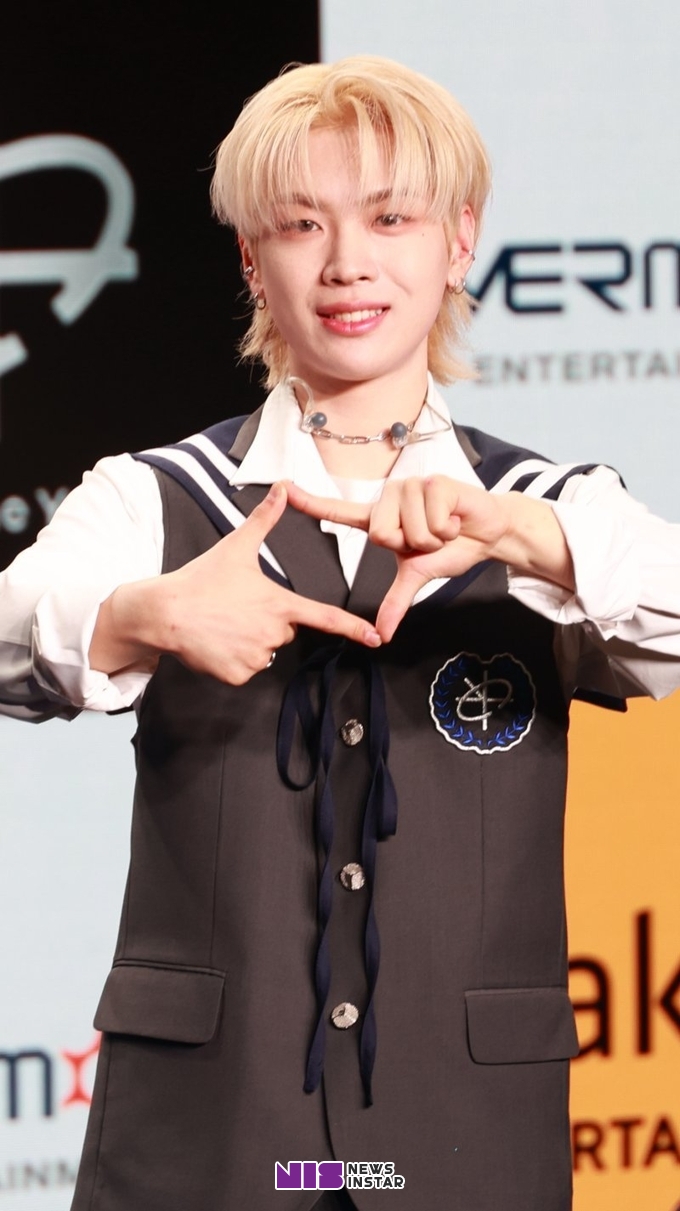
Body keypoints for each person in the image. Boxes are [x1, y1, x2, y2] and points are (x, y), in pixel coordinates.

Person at [1, 54, 679, 1211]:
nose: (347, 261)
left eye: (390, 217)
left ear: (459, 240)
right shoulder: (154, 495)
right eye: (301, 223)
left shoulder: (546, 506)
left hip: (465, 1135)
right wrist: (143, 613)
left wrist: (531, 539)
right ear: (249, 258)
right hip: (206, 1133)